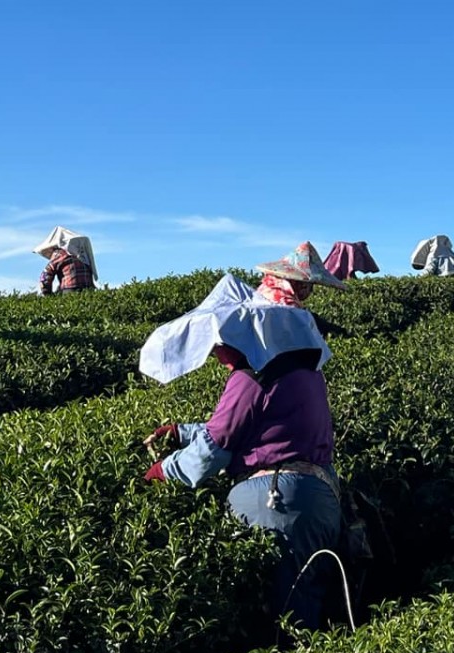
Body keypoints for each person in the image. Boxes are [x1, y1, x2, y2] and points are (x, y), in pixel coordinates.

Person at [137, 273, 344, 629]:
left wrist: (163, 470)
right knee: (307, 608)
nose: (218, 351)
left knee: (282, 622)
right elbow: (259, 426)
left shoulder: (252, 376)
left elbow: (215, 450)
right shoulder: (304, 369)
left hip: (277, 501)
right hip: (322, 498)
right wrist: (182, 432)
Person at [255, 241, 348, 307]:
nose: (311, 291)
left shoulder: (263, 290)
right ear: (301, 284)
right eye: (310, 286)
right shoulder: (288, 305)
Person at [34, 225, 98, 294]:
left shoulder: (59, 253)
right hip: (88, 289)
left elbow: (46, 275)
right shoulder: (82, 253)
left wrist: (47, 293)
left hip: (70, 290)